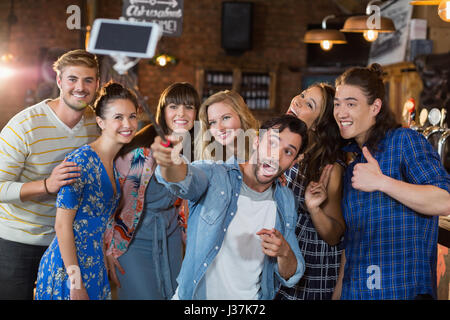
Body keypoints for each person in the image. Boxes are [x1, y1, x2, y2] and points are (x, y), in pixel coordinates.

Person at [151, 114, 307, 300]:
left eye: (288, 152)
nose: (276, 156)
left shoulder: (285, 199)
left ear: (294, 161)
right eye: (272, 143)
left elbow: (291, 274)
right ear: (257, 141)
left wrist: (284, 252)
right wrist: (169, 162)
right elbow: (184, 179)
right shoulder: (216, 175)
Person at [333, 63, 450, 300]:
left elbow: (444, 200)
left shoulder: (404, 141)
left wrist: (382, 182)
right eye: (337, 104)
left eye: (351, 104)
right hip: (356, 292)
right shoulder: (354, 165)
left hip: (402, 292)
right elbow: (352, 244)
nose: (341, 112)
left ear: (375, 106)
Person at [0, 49, 100, 300]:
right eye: (72, 79)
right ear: (59, 81)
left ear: (97, 83)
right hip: (16, 239)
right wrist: (47, 184)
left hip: (63, 242)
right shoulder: (24, 126)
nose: (80, 87)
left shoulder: (95, 124)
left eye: (88, 80)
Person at [35, 82, 139, 300]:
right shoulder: (81, 160)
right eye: (118, 117)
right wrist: (75, 282)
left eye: (132, 116)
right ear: (101, 122)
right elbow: (62, 225)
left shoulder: (114, 162)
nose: (127, 124)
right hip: (68, 269)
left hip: (95, 265)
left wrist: (107, 254)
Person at [104, 82, 200, 299]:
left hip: (170, 237)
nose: (181, 114)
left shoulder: (196, 150)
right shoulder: (140, 149)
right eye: (173, 107)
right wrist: (108, 246)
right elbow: (112, 200)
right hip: (133, 240)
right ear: (163, 111)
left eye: (189, 107)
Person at [276, 83, 346, 300]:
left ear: (318, 125)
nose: (297, 100)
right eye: (303, 94)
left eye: (309, 104)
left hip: (312, 265)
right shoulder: (289, 148)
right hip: (284, 254)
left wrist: (315, 209)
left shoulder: (328, 167)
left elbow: (335, 235)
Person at [195, 90, 259, 162]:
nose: (219, 128)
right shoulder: (209, 159)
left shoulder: (262, 147)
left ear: (242, 116)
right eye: (212, 122)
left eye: (226, 118)